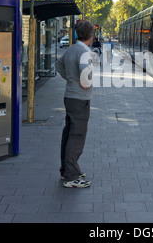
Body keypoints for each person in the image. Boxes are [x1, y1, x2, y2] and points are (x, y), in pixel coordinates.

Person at [57, 21, 95, 188]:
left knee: (69, 133)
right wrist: (84, 82)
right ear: (91, 36)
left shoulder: (72, 49)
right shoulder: (84, 52)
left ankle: (67, 169)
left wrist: (70, 79)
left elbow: (58, 65)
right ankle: (71, 177)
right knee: (77, 136)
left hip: (69, 96)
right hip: (80, 99)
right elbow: (85, 71)